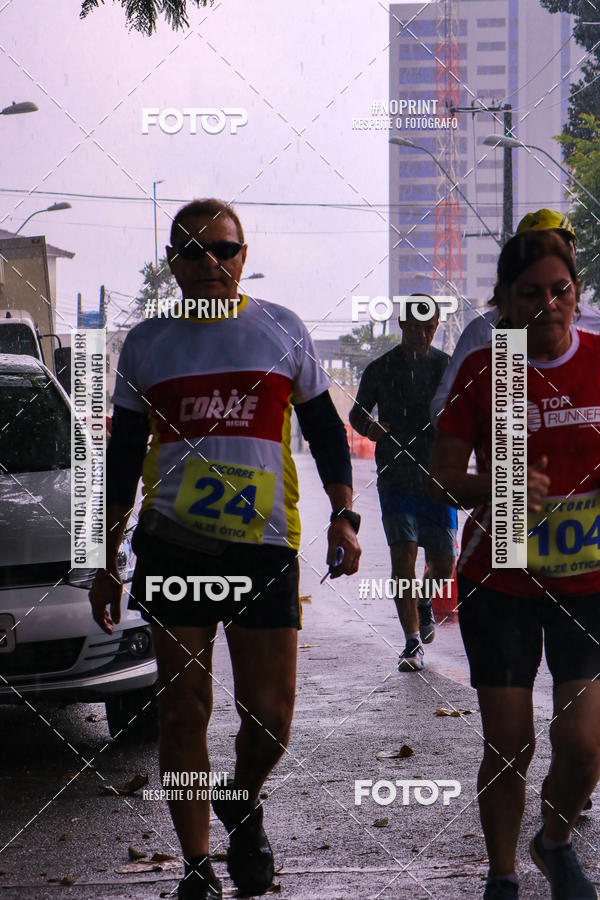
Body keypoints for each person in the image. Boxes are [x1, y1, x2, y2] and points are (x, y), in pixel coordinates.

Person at [89, 198, 361, 900]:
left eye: (226, 249)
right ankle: (195, 866)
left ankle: (241, 801)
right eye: (195, 251)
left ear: (244, 255)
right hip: (175, 547)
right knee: (183, 712)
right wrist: (104, 559)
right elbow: (121, 460)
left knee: (270, 719)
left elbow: (327, 432)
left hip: (263, 548)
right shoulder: (147, 345)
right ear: (172, 263)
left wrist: (345, 514)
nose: (212, 263)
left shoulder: (281, 330)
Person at [430, 230, 600, 900]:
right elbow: (442, 477)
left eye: (561, 290)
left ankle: (553, 841)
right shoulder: (488, 370)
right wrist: (497, 485)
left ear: (577, 294)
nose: (549, 304)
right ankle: (502, 875)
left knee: (584, 744)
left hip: (587, 580)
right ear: (503, 299)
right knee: (510, 741)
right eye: (531, 293)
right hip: (498, 579)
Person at [349, 297, 457, 672]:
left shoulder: (447, 367)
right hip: (394, 478)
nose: (422, 335)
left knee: (443, 565)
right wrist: (370, 428)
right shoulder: (381, 369)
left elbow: (463, 415)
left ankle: (424, 601)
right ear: (402, 325)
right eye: (415, 327)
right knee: (403, 557)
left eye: (429, 328)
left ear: (437, 326)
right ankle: (411, 643)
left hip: (437, 478)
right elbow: (357, 413)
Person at [430, 208, 600, 423]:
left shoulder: (595, 327)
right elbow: (443, 409)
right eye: (539, 250)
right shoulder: (487, 331)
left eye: (562, 250)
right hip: (513, 455)